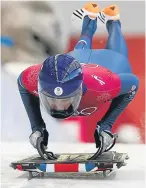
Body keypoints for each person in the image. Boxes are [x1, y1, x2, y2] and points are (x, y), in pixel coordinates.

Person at [17, 3, 139, 155]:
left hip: (109, 64)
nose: (59, 107)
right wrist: (37, 127)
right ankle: (91, 17)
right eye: (52, 100)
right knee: (80, 50)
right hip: (78, 58)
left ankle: (112, 20)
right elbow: (21, 83)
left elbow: (133, 83)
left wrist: (107, 124)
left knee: (119, 57)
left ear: (79, 91)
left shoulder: (105, 84)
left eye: (65, 100)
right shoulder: (33, 77)